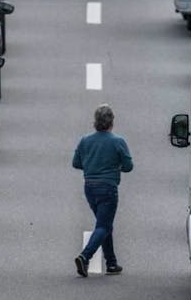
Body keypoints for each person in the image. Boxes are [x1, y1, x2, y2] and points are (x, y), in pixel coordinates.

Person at [72, 104, 134, 277]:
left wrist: (92, 164)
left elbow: (76, 163)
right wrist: (114, 165)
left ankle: (111, 263)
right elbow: (129, 166)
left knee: (105, 224)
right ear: (111, 122)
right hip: (108, 188)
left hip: (89, 188)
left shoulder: (85, 140)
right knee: (104, 225)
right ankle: (85, 256)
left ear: (95, 122)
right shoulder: (117, 142)